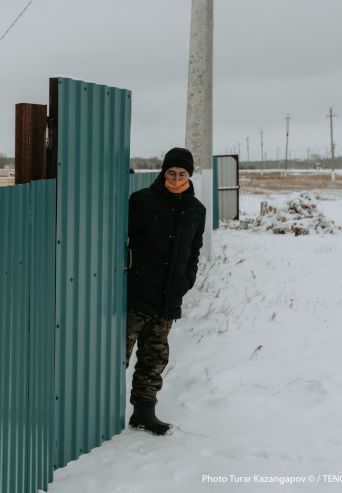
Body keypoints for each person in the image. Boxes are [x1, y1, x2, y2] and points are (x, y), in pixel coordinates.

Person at [126, 147, 206, 435]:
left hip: (167, 298)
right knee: (115, 358)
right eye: (171, 172)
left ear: (189, 175)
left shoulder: (196, 210)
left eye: (182, 173)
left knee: (154, 359)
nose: (176, 178)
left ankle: (144, 414)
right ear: (163, 172)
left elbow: (194, 250)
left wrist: (187, 280)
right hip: (136, 296)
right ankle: (98, 411)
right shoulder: (141, 200)